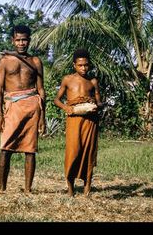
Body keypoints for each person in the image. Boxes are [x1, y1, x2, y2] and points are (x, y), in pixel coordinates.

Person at [0, 24, 46, 194]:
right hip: (12, 107)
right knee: (5, 148)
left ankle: (28, 189)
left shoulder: (36, 62)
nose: (21, 43)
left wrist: (42, 117)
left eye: (24, 40)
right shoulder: (5, 61)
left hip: (32, 107)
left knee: (30, 150)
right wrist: (0, 114)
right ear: (13, 40)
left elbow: (41, 90)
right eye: (18, 40)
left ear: (29, 40)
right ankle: (2, 188)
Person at [54, 48, 103, 196]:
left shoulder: (93, 81)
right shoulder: (67, 80)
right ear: (74, 65)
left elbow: (99, 101)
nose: (83, 68)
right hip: (74, 120)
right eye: (80, 65)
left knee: (88, 152)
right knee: (73, 151)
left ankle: (87, 185)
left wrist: (96, 106)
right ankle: (70, 187)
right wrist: (66, 107)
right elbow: (57, 99)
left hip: (90, 121)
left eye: (86, 65)